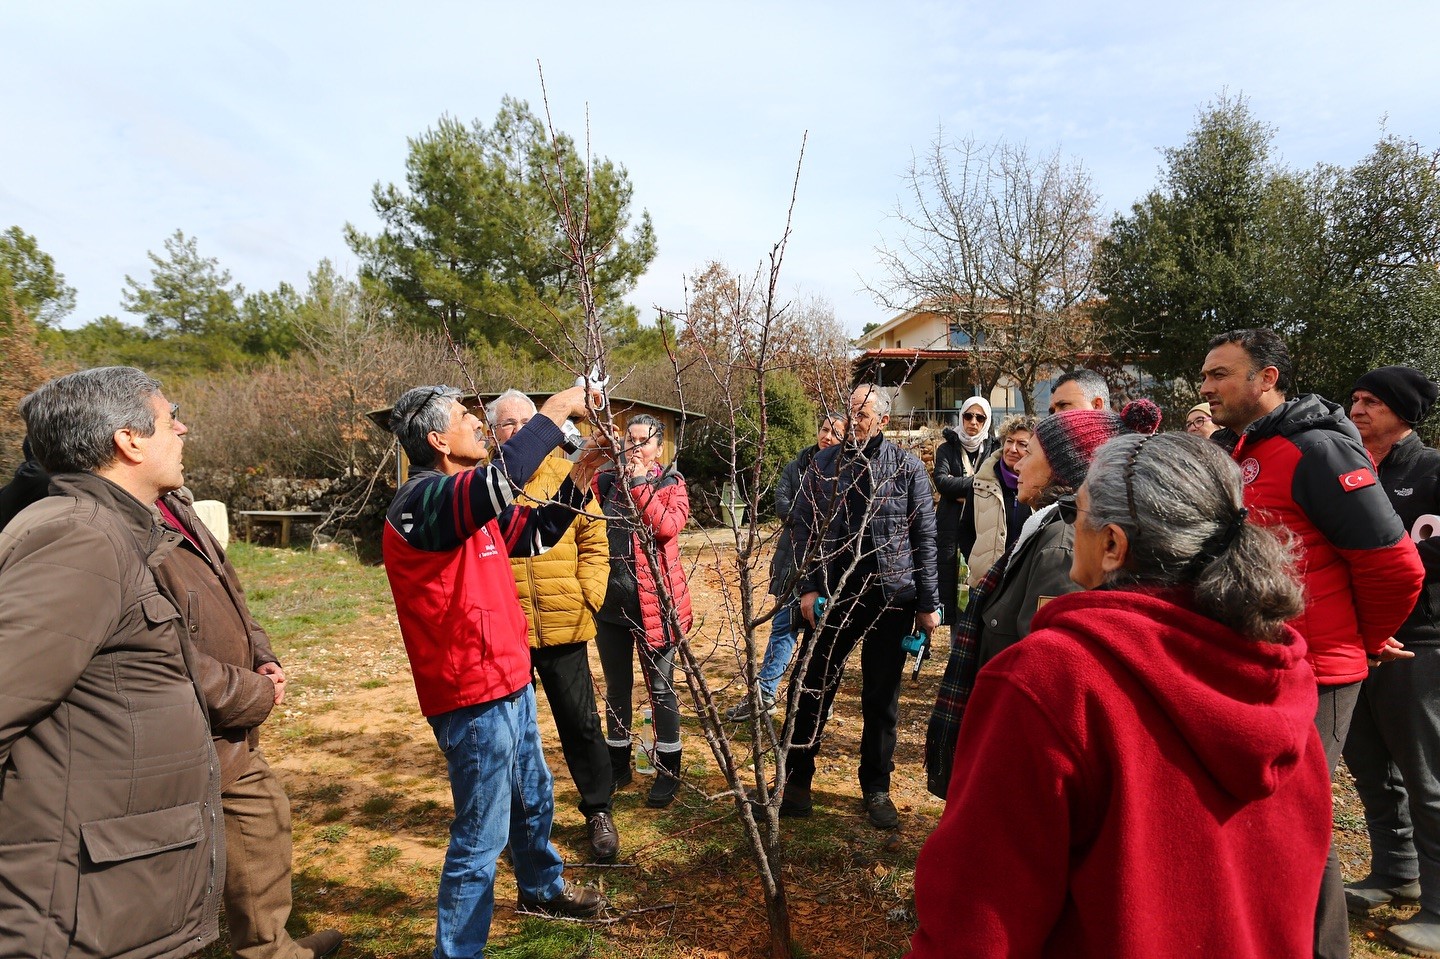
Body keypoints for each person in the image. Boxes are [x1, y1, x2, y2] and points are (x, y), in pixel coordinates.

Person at [910, 432, 1331, 959]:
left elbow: (977, 926)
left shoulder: (1052, 679)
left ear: (1111, 545)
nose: (1071, 522)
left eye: (1079, 510)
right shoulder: (1278, 674)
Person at [1200, 329, 1424, 959]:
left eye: (1221, 374)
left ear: (1266, 378)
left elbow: (1395, 565)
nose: (1206, 386)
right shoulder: (1246, 450)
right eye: (1206, 374)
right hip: (1259, 662)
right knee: (1273, 818)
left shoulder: (1320, 452)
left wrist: (1368, 637)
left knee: (1302, 825)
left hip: (1319, 672)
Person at [0, 366, 223, 959]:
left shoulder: (108, 532)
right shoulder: (78, 538)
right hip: (80, 909)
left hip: (118, 893)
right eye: (169, 417)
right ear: (129, 440)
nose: (183, 428)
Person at [382, 383, 608, 958]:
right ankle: (458, 952)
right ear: (437, 440)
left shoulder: (470, 507)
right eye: (466, 418)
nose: (479, 425)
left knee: (533, 798)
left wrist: (581, 474)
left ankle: (540, 888)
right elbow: (495, 485)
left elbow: (534, 534)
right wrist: (555, 412)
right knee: (480, 837)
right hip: (470, 695)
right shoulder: (421, 502)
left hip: (508, 679)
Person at [925, 400, 1161, 797]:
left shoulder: (1063, 547)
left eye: (1029, 452)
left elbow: (1048, 678)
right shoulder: (1046, 527)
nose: (1016, 464)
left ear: (1060, 470)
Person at [785, 384, 940, 828]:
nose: (854, 418)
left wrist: (929, 603)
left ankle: (876, 787)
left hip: (891, 597)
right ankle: (796, 781)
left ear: (884, 420)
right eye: (850, 409)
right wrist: (810, 587)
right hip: (836, 592)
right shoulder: (824, 464)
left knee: (881, 696)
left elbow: (926, 539)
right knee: (813, 684)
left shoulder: (907, 469)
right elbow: (805, 531)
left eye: (863, 411)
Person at [488, 390, 618, 863]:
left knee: (580, 723)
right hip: (509, 633)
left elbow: (595, 538)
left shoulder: (569, 474)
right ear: (493, 433)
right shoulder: (488, 485)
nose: (520, 429)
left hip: (565, 620)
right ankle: (508, 825)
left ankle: (598, 810)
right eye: (509, 423)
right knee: (508, 734)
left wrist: (589, 594)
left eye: (528, 420)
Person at [1339, 366, 1440, 956]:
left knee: (1427, 777)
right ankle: (1394, 871)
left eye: (1372, 401)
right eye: (1354, 398)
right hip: (1361, 640)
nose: (1357, 408)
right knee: (1372, 766)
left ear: (1405, 413)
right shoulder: (1350, 473)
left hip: (1421, 641)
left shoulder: (1429, 470)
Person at [595, 413, 694, 809]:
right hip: (610, 606)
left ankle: (669, 772)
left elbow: (667, 528)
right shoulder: (605, 482)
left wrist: (639, 484)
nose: (634, 447)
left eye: (643, 441)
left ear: (658, 447)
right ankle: (617, 766)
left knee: (661, 690)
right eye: (629, 439)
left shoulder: (671, 483)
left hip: (656, 608)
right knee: (617, 690)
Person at [726, 410, 844, 723]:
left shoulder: (848, 472)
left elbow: (838, 520)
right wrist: (810, 516)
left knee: (822, 637)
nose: (827, 436)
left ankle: (818, 699)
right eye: (823, 429)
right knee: (783, 628)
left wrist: (811, 516)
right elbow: (784, 505)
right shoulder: (797, 467)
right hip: (793, 562)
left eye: (835, 432)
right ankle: (764, 695)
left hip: (831, 566)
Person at [933, 395, 997, 626]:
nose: (973, 422)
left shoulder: (994, 450)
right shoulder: (946, 449)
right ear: (961, 417)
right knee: (951, 593)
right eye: (968, 416)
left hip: (983, 529)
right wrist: (979, 483)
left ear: (986, 421)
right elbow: (941, 482)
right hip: (950, 530)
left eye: (980, 417)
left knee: (980, 589)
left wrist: (960, 487)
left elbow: (996, 484)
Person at [956, 413, 1036, 586]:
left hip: (1024, 583)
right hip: (985, 583)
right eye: (1009, 441)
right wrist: (978, 565)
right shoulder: (982, 481)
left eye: (1022, 444)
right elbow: (965, 529)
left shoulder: (1040, 487)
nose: (1012, 449)